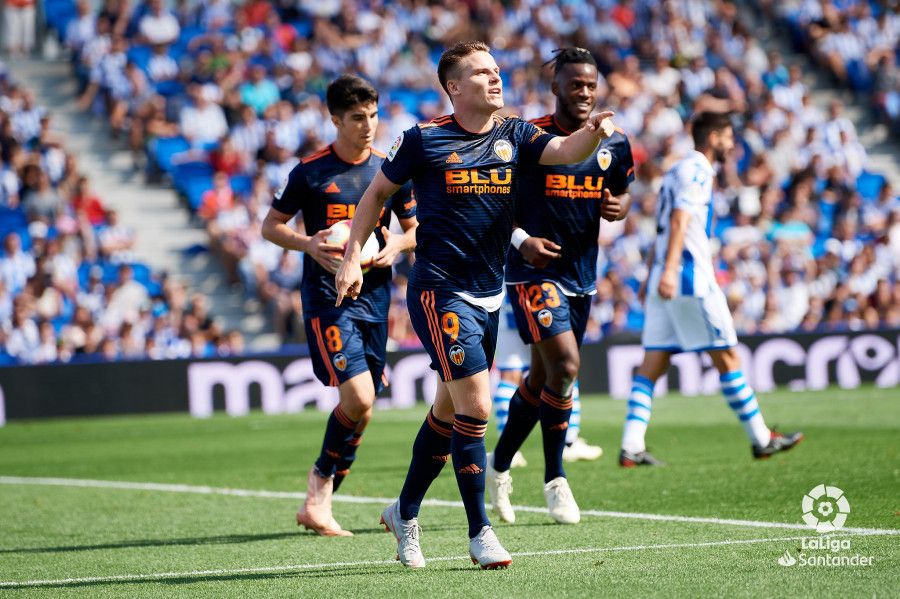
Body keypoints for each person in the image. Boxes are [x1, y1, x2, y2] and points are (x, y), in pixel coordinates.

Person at [334, 41, 615, 569]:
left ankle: (404, 511)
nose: (495, 78)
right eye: (481, 73)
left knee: (447, 412)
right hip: (439, 290)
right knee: (477, 407)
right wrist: (352, 256)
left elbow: (563, 152)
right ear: (455, 88)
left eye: (496, 70)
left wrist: (592, 134)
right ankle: (479, 532)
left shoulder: (514, 134)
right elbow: (374, 196)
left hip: (489, 293)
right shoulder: (423, 139)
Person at [261, 75, 417, 536]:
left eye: (372, 116)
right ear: (334, 120)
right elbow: (271, 226)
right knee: (360, 397)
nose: (368, 126)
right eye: (356, 118)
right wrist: (308, 243)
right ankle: (318, 487)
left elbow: (415, 228)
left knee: (364, 408)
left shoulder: (388, 171)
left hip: (375, 300)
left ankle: (319, 499)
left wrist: (399, 246)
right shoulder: (310, 172)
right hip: (328, 302)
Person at [487, 47, 633, 525]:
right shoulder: (530, 140)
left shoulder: (614, 143)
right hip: (532, 272)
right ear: (556, 88)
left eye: (591, 85)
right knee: (567, 366)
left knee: (541, 378)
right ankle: (556, 479)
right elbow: (493, 203)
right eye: (576, 84)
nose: (586, 93)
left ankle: (500, 465)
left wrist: (620, 208)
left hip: (580, 276)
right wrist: (522, 240)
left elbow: (622, 193)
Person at [619, 112, 803, 467]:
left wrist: (654, 276)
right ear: (714, 137)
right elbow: (679, 220)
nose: (732, 144)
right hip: (688, 278)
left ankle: (631, 444)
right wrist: (671, 270)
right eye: (728, 137)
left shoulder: (675, 169)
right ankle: (761, 439)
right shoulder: (698, 170)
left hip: (664, 274)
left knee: (652, 364)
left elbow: (664, 223)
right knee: (728, 358)